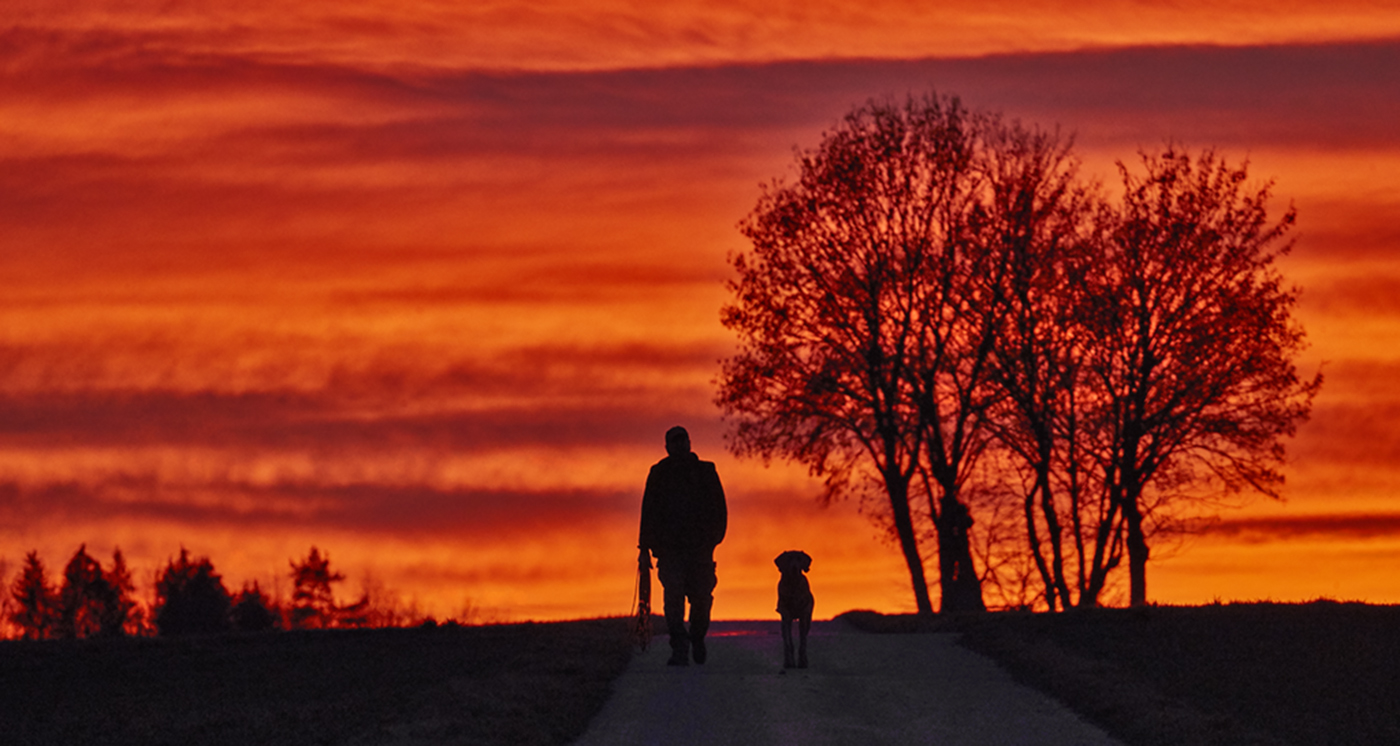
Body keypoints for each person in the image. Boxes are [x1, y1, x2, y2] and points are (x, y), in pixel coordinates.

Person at [638, 426, 727, 666]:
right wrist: (644, 549)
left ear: (689, 442)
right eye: (674, 443)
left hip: (701, 550)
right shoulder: (658, 473)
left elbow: (720, 509)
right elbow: (648, 512)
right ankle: (679, 645)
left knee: (702, 599)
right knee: (673, 599)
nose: (679, 446)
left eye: (682, 441)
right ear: (667, 447)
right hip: (669, 551)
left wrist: (713, 540)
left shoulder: (706, 471)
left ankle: (697, 637)